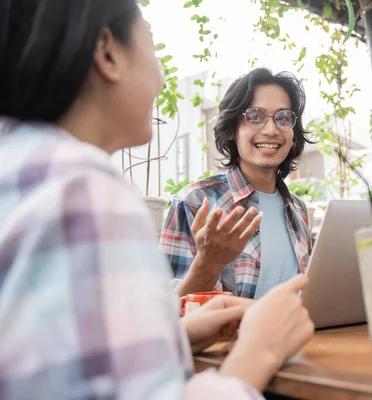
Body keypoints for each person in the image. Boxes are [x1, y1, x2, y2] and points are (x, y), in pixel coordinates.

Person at [0, 1, 314, 398]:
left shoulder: (25, 170)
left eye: (283, 118)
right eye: (150, 41)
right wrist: (261, 346)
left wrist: (176, 334)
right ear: (108, 51)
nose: (162, 79)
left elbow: (68, 364)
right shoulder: (81, 190)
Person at [160, 68, 313, 299]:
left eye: (283, 118)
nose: (271, 130)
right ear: (233, 129)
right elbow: (166, 311)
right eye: (255, 116)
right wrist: (207, 264)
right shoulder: (194, 202)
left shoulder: (298, 210)